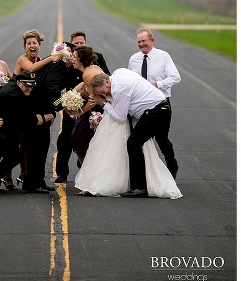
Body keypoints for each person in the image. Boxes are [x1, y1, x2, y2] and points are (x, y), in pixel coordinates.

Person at [76, 70, 181, 199]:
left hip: (156, 112)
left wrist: (103, 104)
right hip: (157, 109)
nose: (105, 94)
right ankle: (141, 183)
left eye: (103, 91)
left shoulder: (119, 90)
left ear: (108, 82)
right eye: (101, 94)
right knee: (143, 142)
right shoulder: (117, 77)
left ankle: (140, 187)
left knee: (134, 143)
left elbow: (120, 117)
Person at [54, 32, 110, 183]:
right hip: (72, 104)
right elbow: (69, 84)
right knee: (66, 137)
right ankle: (62, 173)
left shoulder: (95, 60)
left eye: (81, 43)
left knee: (85, 140)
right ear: (71, 46)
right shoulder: (66, 61)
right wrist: (67, 98)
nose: (79, 45)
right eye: (76, 43)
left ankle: (88, 169)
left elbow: (102, 81)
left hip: (91, 107)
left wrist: (78, 111)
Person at [127, 27, 181, 178]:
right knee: (137, 139)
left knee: (161, 138)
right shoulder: (134, 59)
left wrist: (157, 84)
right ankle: (145, 173)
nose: (141, 44)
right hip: (140, 106)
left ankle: (172, 167)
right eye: (139, 42)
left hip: (160, 104)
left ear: (152, 40)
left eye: (144, 41)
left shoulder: (163, 56)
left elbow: (175, 77)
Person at [10, 30, 61, 186]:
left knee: (42, 144)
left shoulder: (40, 61)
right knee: (28, 145)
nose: (32, 46)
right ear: (25, 47)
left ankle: (38, 180)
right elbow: (31, 69)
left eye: (34, 43)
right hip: (21, 109)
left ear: (39, 45)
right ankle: (28, 179)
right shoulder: (23, 60)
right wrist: (51, 59)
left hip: (36, 108)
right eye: (28, 44)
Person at [0, 72, 48, 192]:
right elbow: (28, 119)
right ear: (18, 82)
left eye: (32, 86)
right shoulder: (14, 95)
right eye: (27, 86)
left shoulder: (16, 88)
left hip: (7, 128)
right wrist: (47, 117)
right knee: (11, 155)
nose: (30, 89)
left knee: (12, 156)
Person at [67, 46, 106, 168]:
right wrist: (73, 92)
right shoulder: (95, 67)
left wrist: (79, 112)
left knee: (78, 140)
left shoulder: (87, 74)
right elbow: (85, 85)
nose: (72, 59)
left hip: (97, 110)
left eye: (74, 57)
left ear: (81, 60)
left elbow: (93, 100)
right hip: (103, 107)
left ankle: (87, 170)